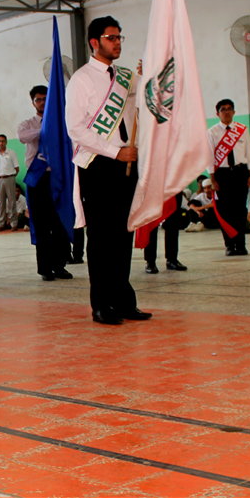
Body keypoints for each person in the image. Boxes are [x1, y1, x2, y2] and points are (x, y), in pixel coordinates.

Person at [66, 16, 149, 325]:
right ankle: (101, 305)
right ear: (95, 42)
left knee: (123, 235)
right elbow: (75, 129)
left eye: (119, 37)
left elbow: (146, 102)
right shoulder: (82, 79)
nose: (117, 43)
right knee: (101, 238)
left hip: (127, 163)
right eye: (111, 37)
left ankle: (123, 301)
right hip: (99, 165)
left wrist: (149, 75)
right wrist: (115, 151)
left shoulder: (126, 77)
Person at [17, 84, 72, 281]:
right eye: (38, 99)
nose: (42, 102)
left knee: (59, 223)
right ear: (33, 102)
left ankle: (60, 265)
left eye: (45, 99)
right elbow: (22, 137)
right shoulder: (27, 123)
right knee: (41, 225)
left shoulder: (62, 121)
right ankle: (45, 269)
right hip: (37, 177)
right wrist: (46, 129)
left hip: (57, 177)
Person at [208, 99, 250, 256]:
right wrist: (212, 179)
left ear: (234, 111)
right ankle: (229, 245)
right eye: (223, 109)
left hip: (240, 173)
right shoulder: (212, 132)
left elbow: (249, 152)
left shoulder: (242, 130)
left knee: (240, 210)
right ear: (217, 113)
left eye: (229, 109)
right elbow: (209, 157)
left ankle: (241, 244)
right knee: (225, 211)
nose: (226, 112)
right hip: (222, 175)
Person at [144, 194, 189, 273]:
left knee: (173, 221)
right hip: (153, 188)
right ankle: (150, 261)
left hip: (173, 188)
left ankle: (172, 260)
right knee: (151, 221)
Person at [0, 134, 20, 232]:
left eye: (3, 141)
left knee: (12, 202)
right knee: (1, 203)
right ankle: (1, 224)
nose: (1, 143)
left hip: (10, 178)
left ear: (6, 142)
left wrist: (10, 177)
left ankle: (14, 224)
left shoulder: (12, 153)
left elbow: (17, 168)